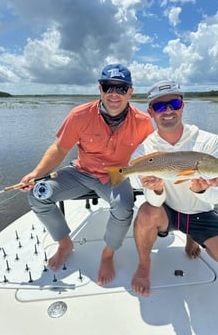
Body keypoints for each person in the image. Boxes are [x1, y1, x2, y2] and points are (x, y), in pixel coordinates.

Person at [20, 63, 154, 285]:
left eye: (121, 88)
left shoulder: (143, 122)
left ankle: (108, 254)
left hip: (116, 176)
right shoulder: (79, 115)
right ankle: (65, 244)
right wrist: (35, 174)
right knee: (37, 194)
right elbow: (60, 149)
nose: (114, 94)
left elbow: (152, 155)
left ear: (130, 92)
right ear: (100, 89)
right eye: (108, 87)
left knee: (123, 206)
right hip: (81, 171)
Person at [130, 80, 218, 296]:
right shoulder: (145, 149)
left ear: (183, 105)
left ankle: (192, 236)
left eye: (174, 103)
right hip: (167, 211)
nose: (168, 111)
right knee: (146, 212)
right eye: (159, 106)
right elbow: (150, 198)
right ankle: (144, 266)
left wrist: (202, 189)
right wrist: (155, 189)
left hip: (199, 212)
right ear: (151, 112)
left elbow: (215, 198)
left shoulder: (210, 142)